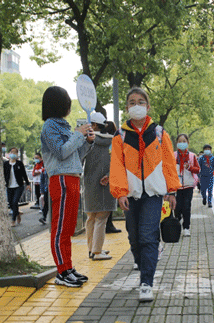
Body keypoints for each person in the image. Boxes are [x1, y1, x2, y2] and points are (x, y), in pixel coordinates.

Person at [109, 87, 180, 302]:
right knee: (134, 238)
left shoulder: (159, 133)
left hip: (153, 194)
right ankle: (143, 264)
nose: (136, 105)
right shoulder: (120, 136)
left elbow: (168, 163)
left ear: (148, 107)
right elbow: (117, 166)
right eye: (132, 102)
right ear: (127, 107)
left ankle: (146, 283)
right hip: (130, 195)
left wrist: (172, 190)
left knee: (148, 237)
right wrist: (120, 192)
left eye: (141, 102)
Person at [41, 85, 95, 287]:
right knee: (60, 228)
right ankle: (62, 271)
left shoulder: (64, 126)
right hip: (61, 179)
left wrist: (86, 142)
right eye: (67, 103)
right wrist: (78, 135)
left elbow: (75, 156)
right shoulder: (49, 127)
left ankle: (68, 267)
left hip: (72, 178)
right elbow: (61, 152)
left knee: (69, 227)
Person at [84, 112, 116, 260]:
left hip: (89, 184)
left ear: (95, 125)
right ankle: (97, 251)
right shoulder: (111, 142)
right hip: (105, 182)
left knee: (91, 217)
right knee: (102, 217)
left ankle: (92, 249)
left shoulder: (87, 142)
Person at [173, 133, 199, 237]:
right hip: (177, 186)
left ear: (188, 143)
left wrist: (190, 167)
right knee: (177, 207)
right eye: (180, 141)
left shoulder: (192, 156)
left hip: (188, 186)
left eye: (184, 141)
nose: (182, 143)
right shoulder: (173, 155)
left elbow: (198, 170)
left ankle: (186, 227)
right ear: (177, 143)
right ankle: (177, 222)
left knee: (186, 207)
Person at [3, 147, 30, 227]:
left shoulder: (19, 164)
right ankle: (17, 213)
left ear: (17, 154)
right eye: (12, 152)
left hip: (19, 186)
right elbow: (3, 174)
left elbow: (24, 174)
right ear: (9, 153)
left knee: (15, 202)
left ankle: (13, 220)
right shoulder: (6, 164)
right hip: (9, 186)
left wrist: (28, 184)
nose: (13, 154)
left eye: (15, 152)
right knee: (11, 203)